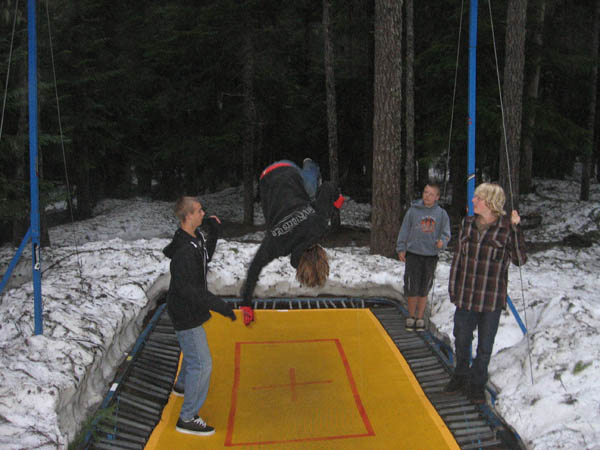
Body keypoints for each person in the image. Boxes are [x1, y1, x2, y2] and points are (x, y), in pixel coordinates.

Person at [444, 183, 527, 404]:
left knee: (485, 346)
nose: (473, 201)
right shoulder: (467, 224)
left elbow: (520, 259)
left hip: (490, 298)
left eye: (478, 198)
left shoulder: (506, 228)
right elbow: (458, 259)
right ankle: (460, 375)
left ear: (490, 203)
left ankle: (477, 384)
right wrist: (453, 288)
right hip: (466, 295)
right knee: (461, 338)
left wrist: (517, 228)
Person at [163, 196, 237, 436]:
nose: (203, 213)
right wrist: (222, 307)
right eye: (199, 211)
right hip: (185, 312)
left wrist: (214, 233)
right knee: (202, 363)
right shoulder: (184, 251)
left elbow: (205, 259)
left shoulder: (194, 238)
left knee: (192, 352)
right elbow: (191, 292)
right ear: (187, 217)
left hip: (188, 308)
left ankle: (183, 385)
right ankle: (187, 417)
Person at [240, 160, 344, 325]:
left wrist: (337, 203)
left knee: (310, 192)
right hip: (267, 176)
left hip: (290, 170)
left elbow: (328, 187)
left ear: (321, 253)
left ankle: (311, 166)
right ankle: (310, 169)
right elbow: (254, 268)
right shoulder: (277, 243)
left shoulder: (319, 226)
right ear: (299, 267)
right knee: (307, 197)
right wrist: (246, 305)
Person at [396, 183, 451, 332]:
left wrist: (442, 242)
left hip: (430, 256)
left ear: (437, 197)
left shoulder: (441, 214)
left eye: (431, 194)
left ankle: (420, 317)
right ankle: (411, 316)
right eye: (425, 192)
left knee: (424, 286)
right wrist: (401, 248)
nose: (427, 196)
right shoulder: (413, 211)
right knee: (412, 285)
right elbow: (404, 230)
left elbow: (446, 233)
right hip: (414, 254)